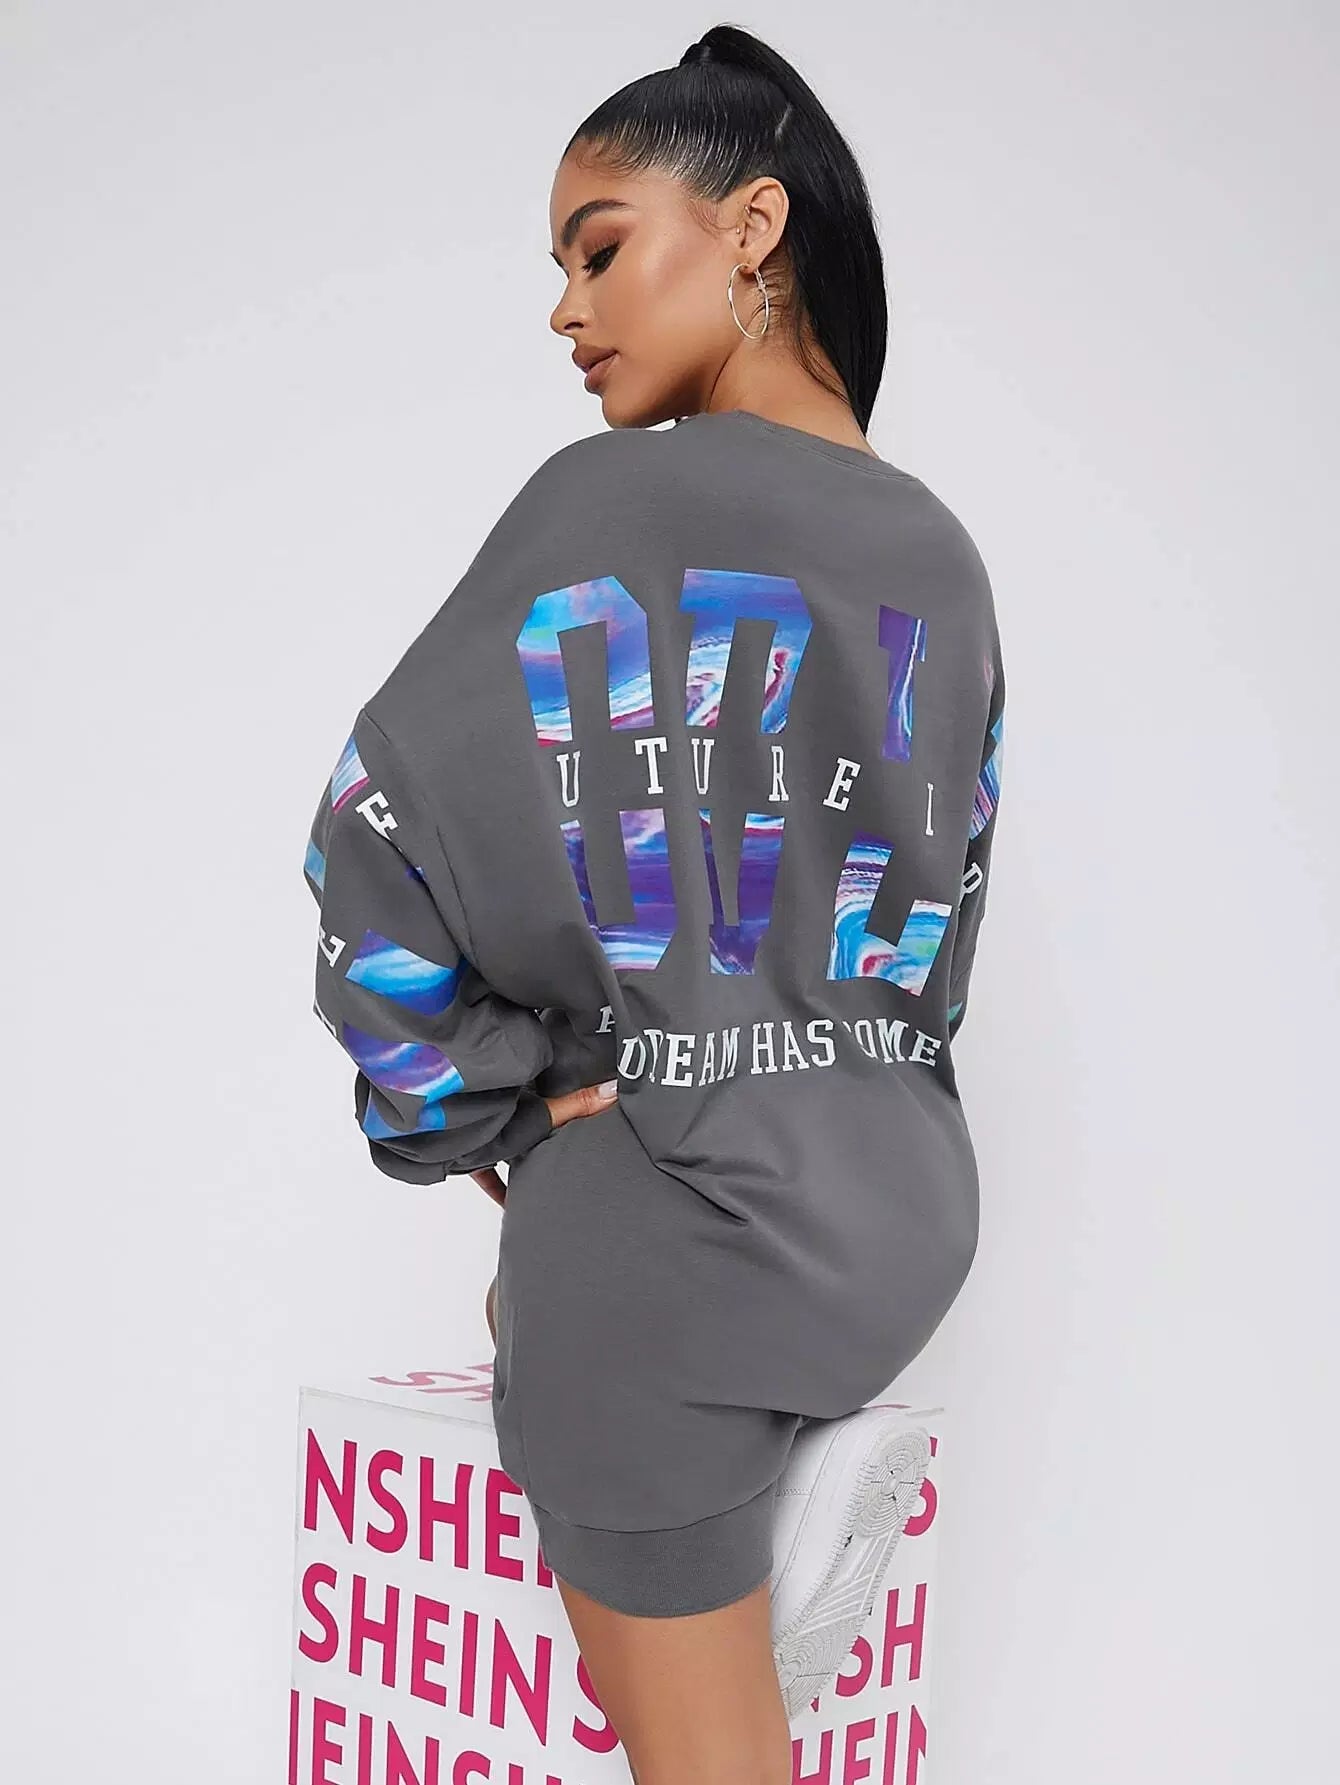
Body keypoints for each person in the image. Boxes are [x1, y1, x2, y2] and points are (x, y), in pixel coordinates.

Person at [302, 22, 1005, 1782]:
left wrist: (481, 1099)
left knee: (697, 1763)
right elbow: (932, 931)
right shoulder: (940, 554)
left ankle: (726, 1566)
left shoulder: (608, 507)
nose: (567, 309)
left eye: (600, 248)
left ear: (753, 227)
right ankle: (766, 1540)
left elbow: (368, 838)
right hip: (904, 1213)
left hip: (669, 1246)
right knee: (652, 1661)